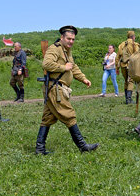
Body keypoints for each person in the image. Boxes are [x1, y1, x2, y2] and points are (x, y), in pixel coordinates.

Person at [35, 25, 98, 155]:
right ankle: (83, 146)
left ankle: (39, 149)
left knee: (47, 118)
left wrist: (83, 79)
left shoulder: (66, 50)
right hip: (55, 89)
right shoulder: (55, 49)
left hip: (57, 88)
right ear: (62, 37)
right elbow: (46, 64)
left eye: (73, 39)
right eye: (69, 39)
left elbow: (73, 67)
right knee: (69, 115)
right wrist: (63, 67)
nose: (71, 41)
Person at [117, 30, 140, 104]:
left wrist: (116, 68)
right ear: (133, 36)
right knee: (130, 81)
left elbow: (117, 57)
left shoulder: (122, 44)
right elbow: (138, 55)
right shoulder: (135, 44)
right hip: (131, 65)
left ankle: (126, 98)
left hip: (123, 65)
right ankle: (129, 99)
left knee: (126, 81)